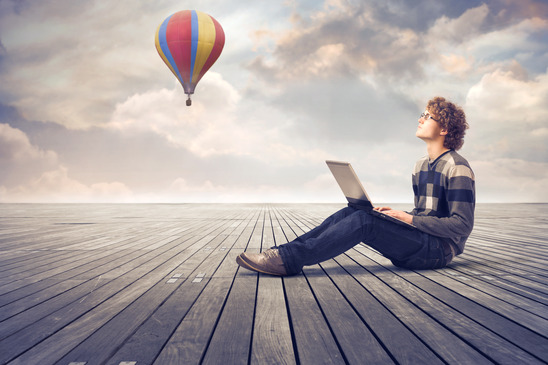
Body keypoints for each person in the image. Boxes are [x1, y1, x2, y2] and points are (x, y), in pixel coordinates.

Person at [236, 96, 475, 276]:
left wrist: (409, 219)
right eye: (421, 114)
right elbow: (428, 215)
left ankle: (288, 261)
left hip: (437, 252)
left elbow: (461, 225)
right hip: (420, 241)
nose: (420, 119)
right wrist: (398, 217)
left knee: (364, 222)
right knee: (358, 211)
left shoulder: (457, 167)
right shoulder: (421, 165)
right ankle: (281, 253)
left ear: (444, 129)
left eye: (428, 116)